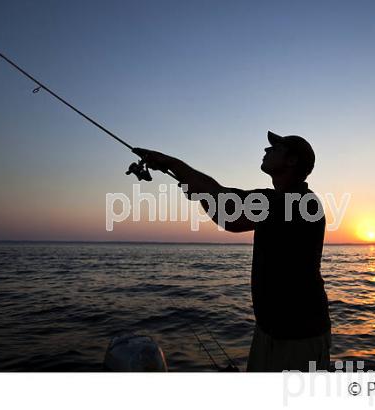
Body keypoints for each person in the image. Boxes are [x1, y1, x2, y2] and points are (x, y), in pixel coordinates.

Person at [133, 131, 331, 372]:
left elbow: (228, 208)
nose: (267, 150)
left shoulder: (300, 203)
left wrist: (171, 163)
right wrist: (201, 193)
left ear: (291, 161)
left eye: (275, 148)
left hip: (299, 336)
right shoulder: (276, 199)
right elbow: (228, 216)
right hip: (269, 331)